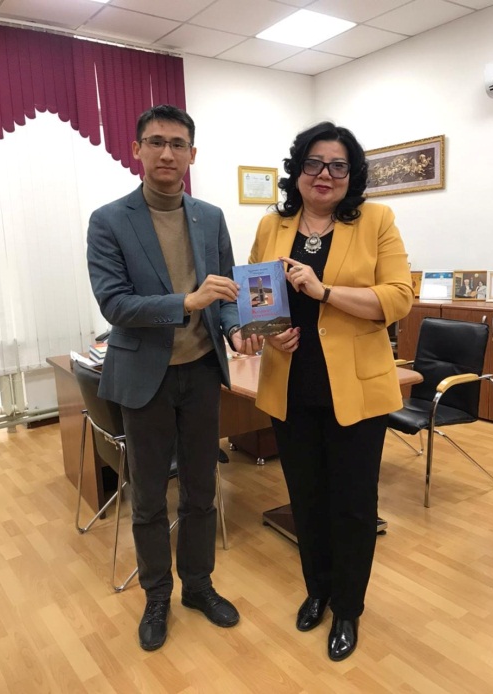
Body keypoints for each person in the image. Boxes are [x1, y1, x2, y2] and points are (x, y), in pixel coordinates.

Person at [86, 104, 259, 652]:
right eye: (156, 142)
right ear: (136, 149)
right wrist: (187, 301)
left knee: (202, 490)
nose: (167, 153)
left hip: (202, 373)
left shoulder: (210, 217)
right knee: (148, 497)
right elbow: (115, 303)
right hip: (145, 378)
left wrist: (235, 329)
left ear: (192, 154)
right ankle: (157, 595)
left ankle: (198, 586)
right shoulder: (109, 220)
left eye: (178, 144)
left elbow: (225, 293)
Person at [247, 121, 413, 661]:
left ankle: (347, 608)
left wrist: (325, 291)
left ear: (351, 174)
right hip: (290, 387)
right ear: (297, 170)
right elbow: (257, 296)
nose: (325, 174)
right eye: (315, 163)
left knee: (354, 505)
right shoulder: (272, 224)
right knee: (307, 499)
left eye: (338, 165)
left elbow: (399, 298)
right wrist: (270, 334)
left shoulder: (376, 221)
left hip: (357, 391)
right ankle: (317, 589)